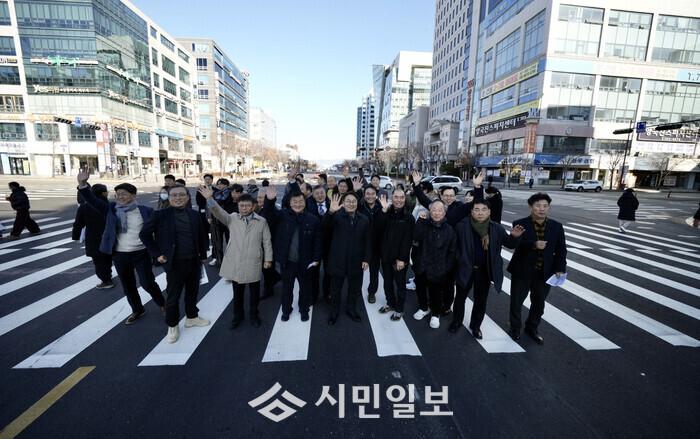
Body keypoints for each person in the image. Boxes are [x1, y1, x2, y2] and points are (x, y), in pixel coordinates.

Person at [76, 169, 166, 324]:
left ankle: (163, 304)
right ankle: (137, 309)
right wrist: (82, 184)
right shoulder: (111, 209)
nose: (120, 197)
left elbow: (158, 231)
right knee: (128, 285)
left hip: (141, 253)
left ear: (133, 195)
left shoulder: (146, 211)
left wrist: (159, 251)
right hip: (120, 255)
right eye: (117, 194)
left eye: (124, 194)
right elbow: (92, 200)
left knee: (147, 282)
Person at [140, 185, 211, 343]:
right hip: (174, 262)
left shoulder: (194, 214)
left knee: (192, 291)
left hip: (194, 260)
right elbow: (144, 235)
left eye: (181, 195)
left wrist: (203, 255)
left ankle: (191, 317)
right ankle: (172, 325)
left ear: (187, 197)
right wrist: (157, 254)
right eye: (174, 195)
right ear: (169, 197)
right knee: (173, 295)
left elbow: (202, 235)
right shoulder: (160, 215)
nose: (178, 198)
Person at [198, 188, 273, 329]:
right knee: (237, 293)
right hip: (236, 262)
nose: (244, 208)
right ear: (238, 206)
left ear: (253, 206)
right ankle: (237, 316)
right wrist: (210, 199)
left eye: (247, 205)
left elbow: (267, 241)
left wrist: (268, 259)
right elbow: (218, 212)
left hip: (254, 261)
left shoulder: (261, 221)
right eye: (241, 205)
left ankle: (254, 315)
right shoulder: (232, 218)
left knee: (254, 293)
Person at [451, 200, 524, 338]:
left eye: (484, 209)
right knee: (460, 298)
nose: (480, 213)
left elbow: (509, 244)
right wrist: (459, 260)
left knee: (481, 300)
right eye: (477, 209)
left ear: (489, 212)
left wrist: (514, 237)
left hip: (485, 270)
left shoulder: (496, 228)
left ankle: (476, 326)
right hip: (465, 269)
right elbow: (454, 246)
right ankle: (456, 322)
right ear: (471, 211)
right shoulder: (462, 226)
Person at [508, 193, 567, 345]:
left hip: (544, 272)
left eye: (545, 206)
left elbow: (561, 249)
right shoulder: (520, 224)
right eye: (538, 205)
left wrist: (560, 268)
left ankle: (532, 328)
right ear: (531, 207)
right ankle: (515, 329)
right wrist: (533, 245)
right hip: (522, 270)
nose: (542, 209)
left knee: (539, 303)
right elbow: (515, 245)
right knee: (516, 302)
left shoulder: (556, 226)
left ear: (549, 207)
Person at [263, 187, 322, 321]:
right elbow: (268, 215)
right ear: (289, 203)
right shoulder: (282, 215)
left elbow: (318, 241)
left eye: (300, 201)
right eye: (294, 201)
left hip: (306, 262)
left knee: (305, 289)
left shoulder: (313, 219)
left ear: (305, 202)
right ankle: (286, 310)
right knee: (287, 289)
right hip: (287, 262)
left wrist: (316, 259)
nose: (298, 204)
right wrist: (270, 201)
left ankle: (304, 310)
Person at [324, 192, 371, 325]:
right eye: (348, 201)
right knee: (335, 289)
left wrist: (366, 259)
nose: (351, 204)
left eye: (353, 201)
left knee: (354, 289)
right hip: (338, 260)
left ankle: (351, 309)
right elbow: (324, 227)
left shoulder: (364, 219)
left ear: (357, 203)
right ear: (343, 203)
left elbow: (368, 241)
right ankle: (334, 312)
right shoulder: (336, 216)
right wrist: (330, 212)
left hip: (356, 261)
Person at [412, 200, 456, 329]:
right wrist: (420, 221)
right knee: (420, 289)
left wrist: (445, 268)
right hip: (422, 266)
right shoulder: (424, 224)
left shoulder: (449, 230)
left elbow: (452, 252)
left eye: (440, 210)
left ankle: (435, 314)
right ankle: (423, 308)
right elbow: (415, 237)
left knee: (436, 293)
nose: (437, 213)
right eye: (434, 210)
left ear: (444, 212)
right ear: (429, 212)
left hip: (439, 269)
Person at [376, 190, 414, 320]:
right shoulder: (387, 212)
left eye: (401, 197)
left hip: (399, 259)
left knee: (400, 285)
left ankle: (399, 308)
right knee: (387, 283)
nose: (399, 200)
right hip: (386, 256)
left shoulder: (408, 217)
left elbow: (407, 240)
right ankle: (390, 303)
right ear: (392, 198)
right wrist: (383, 210)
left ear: (405, 199)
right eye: (396, 197)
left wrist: (402, 259)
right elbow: (378, 227)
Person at [72, 184, 114, 289]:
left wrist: (76, 236)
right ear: (103, 193)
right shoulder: (109, 205)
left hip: (93, 237)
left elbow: (78, 223)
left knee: (98, 260)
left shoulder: (84, 207)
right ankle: (107, 275)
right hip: (108, 237)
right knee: (107, 258)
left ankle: (106, 280)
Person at [358, 185, 384, 304]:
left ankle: (372, 292)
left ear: (376, 195)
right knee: (357, 271)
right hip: (361, 245)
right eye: (367, 194)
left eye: (372, 194)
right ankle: (356, 291)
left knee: (374, 271)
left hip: (376, 246)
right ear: (364, 195)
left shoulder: (382, 207)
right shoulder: (359, 207)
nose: (370, 196)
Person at [307, 185, 332, 303]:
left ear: (325, 193)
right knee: (313, 272)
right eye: (316, 193)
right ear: (313, 195)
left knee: (329, 271)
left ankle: (327, 293)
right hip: (314, 245)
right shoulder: (308, 205)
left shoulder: (332, 204)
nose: (320, 195)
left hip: (329, 245)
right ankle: (314, 295)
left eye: (321, 192)